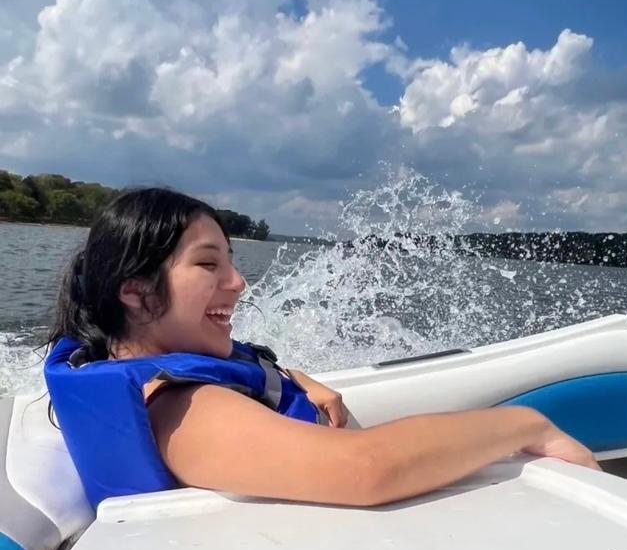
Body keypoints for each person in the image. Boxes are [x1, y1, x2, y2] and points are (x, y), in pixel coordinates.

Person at [45, 188, 599, 509]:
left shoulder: (158, 370)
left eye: (232, 262)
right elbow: (366, 470)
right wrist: (525, 425)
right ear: (136, 292)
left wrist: (287, 379)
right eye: (209, 264)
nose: (238, 283)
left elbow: (238, 376)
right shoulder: (182, 409)